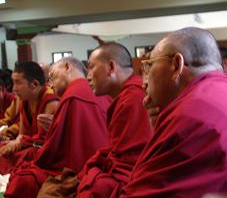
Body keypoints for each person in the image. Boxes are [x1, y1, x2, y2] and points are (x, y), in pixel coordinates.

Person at [116, 27, 227, 198]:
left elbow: (138, 191)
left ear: (176, 65)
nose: (144, 83)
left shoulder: (189, 114)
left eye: (149, 65)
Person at [37, 43, 152, 198]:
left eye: (91, 67)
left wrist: (93, 172)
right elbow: (117, 149)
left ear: (111, 67)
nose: (88, 75)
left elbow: (130, 162)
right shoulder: (125, 96)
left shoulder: (133, 98)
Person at [4, 57, 111, 198]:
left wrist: (54, 131)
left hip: (80, 167)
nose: (50, 84)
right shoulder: (100, 92)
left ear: (67, 67)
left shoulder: (69, 96)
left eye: (52, 76)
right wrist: (57, 126)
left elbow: (52, 152)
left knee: (23, 179)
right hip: (92, 163)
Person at [0, 61, 59, 174]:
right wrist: (17, 142)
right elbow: (23, 134)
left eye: (18, 83)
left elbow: (45, 144)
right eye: (13, 82)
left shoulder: (50, 101)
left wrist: (19, 143)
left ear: (35, 84)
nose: (14, 89)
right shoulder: (25, 101)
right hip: (30, 147)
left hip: (44, 154)